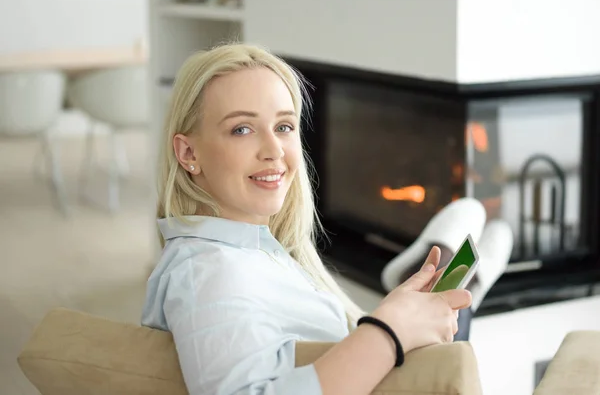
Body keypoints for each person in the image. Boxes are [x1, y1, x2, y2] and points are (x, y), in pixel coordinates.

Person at [141, 43, 472, 395]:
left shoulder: (243, 251)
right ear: (189, 153)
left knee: (446, 329)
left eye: (284, 126)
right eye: (242, 129)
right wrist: (389, 331)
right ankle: (463, 299)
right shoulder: (208, 273)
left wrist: (392, 323)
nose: (274, 151)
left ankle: (443, 299)